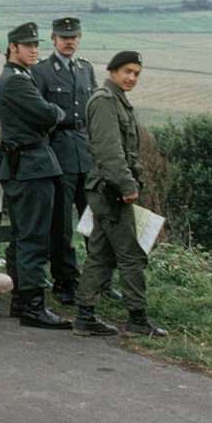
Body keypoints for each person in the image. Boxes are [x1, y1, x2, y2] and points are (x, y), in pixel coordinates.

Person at [74, 51, 165, 338]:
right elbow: (110, 151)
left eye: (137, 73)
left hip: (107, 190)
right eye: (127, 71)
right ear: (112, 71)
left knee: (101, 254)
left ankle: (85, 316)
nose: (132, 78)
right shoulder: (105, 101)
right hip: (111, 191)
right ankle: (137, 318)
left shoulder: (117, 101)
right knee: (132, 255)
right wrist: (127, 187)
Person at [30, 17, 117, 305]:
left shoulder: (86, 69)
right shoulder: (42, 72)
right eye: (63, 37)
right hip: (58, 154)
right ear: (53, 39)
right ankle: (65, 281)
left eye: (74, 37)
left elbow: (92, 114)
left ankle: (100, 278)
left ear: (79, 39)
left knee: (95, 219)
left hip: (86, 153)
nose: (69, 42)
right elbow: (39, 117)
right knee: (62, 225)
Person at [0, 22, 73, 330]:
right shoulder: (15, 81)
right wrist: (56, 113)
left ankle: (21, 301)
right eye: (27, 46)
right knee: (33, 238)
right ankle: (32, 307)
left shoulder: (22, 77)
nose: (34, 50)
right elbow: (46, 114)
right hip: (31, 165)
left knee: (23, 236)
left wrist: (49, 113)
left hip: (28, 164)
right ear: (12, 47)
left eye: (36, 45)